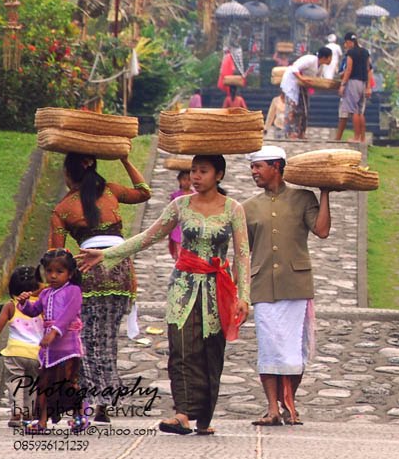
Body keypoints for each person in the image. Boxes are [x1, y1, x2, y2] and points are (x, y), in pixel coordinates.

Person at [80, 155, 250, 436]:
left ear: (219, 175)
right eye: (193, 171)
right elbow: (149, 236)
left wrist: (244, 296)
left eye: (203, 171)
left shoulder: (233, 209)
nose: (195, 176)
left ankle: (204, 418)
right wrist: (107, 254)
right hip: (182, 287)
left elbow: (243, 255)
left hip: (217, 288)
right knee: (181, 349)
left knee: (212, 353)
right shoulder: (180, 206)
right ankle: (182, 414)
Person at [49, 153, 151, 423]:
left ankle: (93, 399)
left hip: (89, 274)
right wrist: (126, 160)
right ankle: (105, 398)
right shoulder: (112, 191)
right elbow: (144, 192)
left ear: (69, 174)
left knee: (88, 340)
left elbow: (54, 255)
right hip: (121, 274)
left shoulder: (62, 208)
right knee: (107, 339)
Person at [243, 146, 332, 426]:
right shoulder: (247, 207)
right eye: (252, 167)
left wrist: (325, 194)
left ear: (276, 167)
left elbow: (322, 231)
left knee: (294, 348)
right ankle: (272, 408)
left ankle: (288, 402)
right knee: (269, 347)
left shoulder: (303, 198)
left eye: (259, 166)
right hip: (262, 286)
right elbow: (241, 250)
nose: (254, 172)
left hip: (296, 285)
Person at [17, 249, 86, 434]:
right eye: (49, 271)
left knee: (68, 382)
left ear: (70, 273)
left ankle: (79, 416)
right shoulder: (45, 293)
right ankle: (41, 421)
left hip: (68, 347)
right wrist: (23, 303)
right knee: (44, 384)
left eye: (59, 272)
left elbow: (67, 316)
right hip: (49, 350)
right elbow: (33, 310)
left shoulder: (73, 291)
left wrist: (54, 333)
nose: (53, 276)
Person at [0, 266, 43, 427]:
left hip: (15, 352)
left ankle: (17, 412)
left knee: (15, 381)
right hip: (37, 353)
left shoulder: (11, 306)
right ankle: (29, 413)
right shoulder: (41, 304)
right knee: (32, 383)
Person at [279, 48, 333, 140]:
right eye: (330, 58)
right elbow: (294, 67)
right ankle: (290, 133)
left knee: (304, 109)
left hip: (302, 86)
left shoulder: (320, 66)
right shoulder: (310, 59)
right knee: (292, 108)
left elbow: (317, 79)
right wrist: (301, 78)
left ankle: (301, 132)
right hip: (292, 83)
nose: (331, 60)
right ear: (324, 57)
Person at [335, 33, 373, 142]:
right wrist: (368, 86)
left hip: (353, 82)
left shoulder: (350, 53)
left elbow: (349, 69)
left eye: (346, 43)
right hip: (363, 82)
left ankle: (356, 137)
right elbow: (368, 69)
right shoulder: (365, 52)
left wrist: (343, 85)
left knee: (354, 111)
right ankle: (362, 138)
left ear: (349, 42)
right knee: (360, 111)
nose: (345, 45)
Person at [168, 168, 194, 262]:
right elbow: (171, 212)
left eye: (189, 179)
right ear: (179, 180)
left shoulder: (195, 195)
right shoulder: (175, 196)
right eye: (184, 179)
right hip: (178, 227)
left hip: (191, 226)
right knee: (179, 253)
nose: (186, 182)